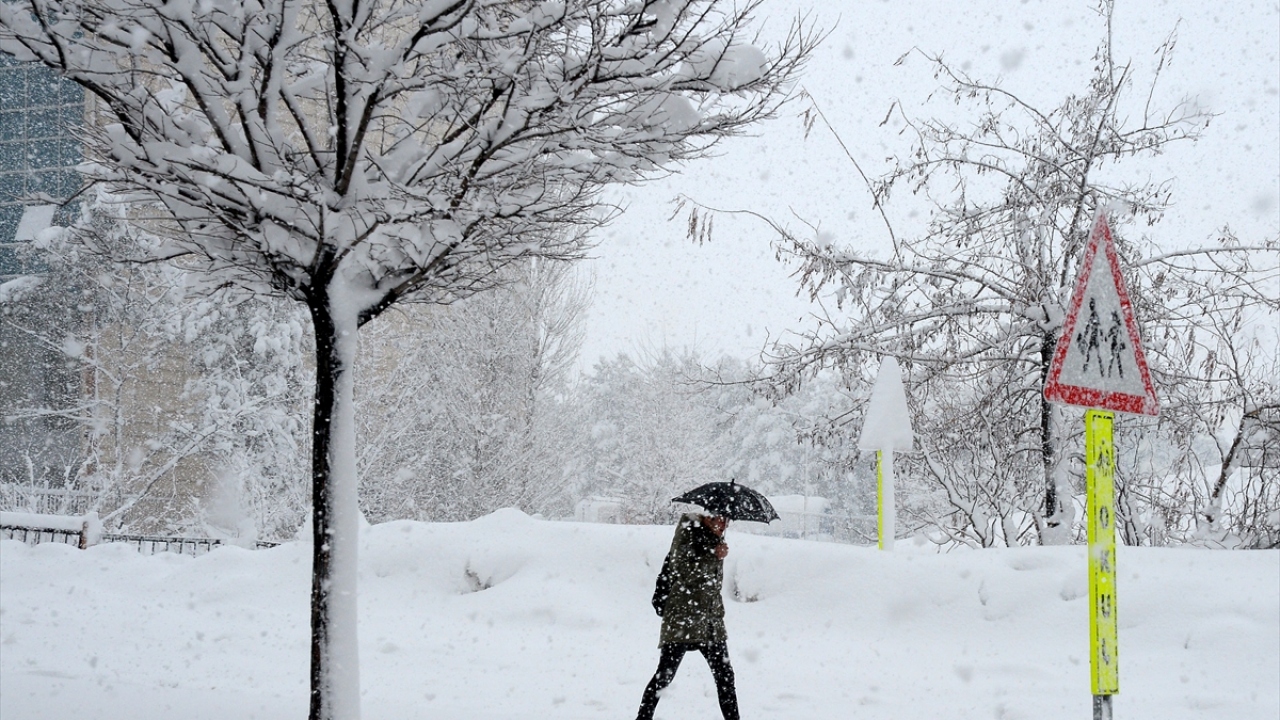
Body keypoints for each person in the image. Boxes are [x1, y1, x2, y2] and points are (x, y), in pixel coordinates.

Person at [636, 512, 739, 720]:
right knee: (664, 676)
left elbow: (713, 585)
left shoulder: (716, 540)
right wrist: (713, 555)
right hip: (683, 618)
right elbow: (684, 572)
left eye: (727, 521)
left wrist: (716, 554)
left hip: (710, 621)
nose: (725, 525)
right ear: (708, 517)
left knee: (725, 676)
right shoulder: (687, 533)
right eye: (721, 519)